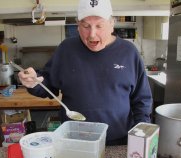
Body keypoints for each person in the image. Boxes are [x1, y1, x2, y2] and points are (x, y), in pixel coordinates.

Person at [18, 0, 153, 145]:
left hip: (119, 140)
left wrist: (141, 134)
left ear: (111, 24)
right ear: (78, 25)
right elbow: (48, 85)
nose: (92, 34)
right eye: (86, 26)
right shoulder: (66, 50)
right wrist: (33, 82)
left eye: (99, 26)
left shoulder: (129, 52)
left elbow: (142, 99)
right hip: (75, 140)